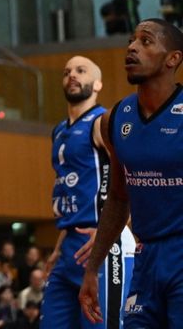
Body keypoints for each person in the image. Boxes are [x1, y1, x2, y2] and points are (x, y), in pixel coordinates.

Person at [81, 19, 183, 326]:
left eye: (146, 41)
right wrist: (92, 268)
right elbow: (118, 198)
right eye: (131, 41)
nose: (132, 47)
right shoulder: (116, 119)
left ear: (173, 59)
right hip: (146, 256)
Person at [43, 56, 133, 329]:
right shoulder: (59, 130)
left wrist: (111, 230)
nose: (72, 75)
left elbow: (130, 177)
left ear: (97, 84)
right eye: (67, 71)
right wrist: (58, 247)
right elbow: (77, 192)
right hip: (70, 241)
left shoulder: (101, 122)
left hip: (102, 240)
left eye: (81, 71)